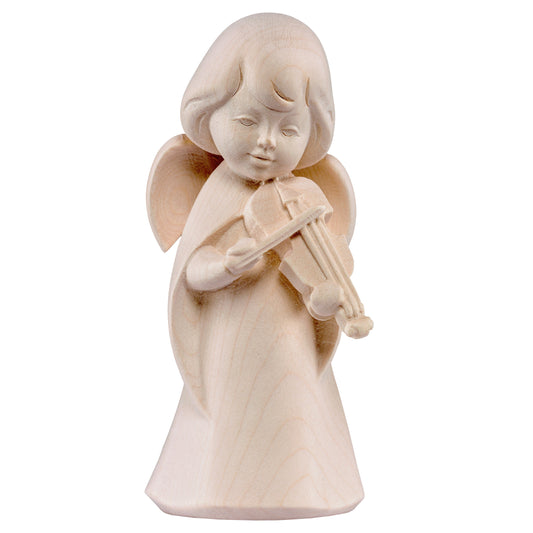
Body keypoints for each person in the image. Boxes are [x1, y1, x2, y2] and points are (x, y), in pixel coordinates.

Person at [146, 13, 366, 519]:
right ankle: (216, 480)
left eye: (289, 129)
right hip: (229, 340)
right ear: (210, 112)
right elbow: (192, 271)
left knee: (295, 408)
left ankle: (305, 484)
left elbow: (315, 277)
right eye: (248, 122)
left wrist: (325, 300)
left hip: (288, 339)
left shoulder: (307, 195)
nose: (267, 141)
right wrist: (225, 266)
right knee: (230, 411)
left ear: (312, 132)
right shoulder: (218, 191)